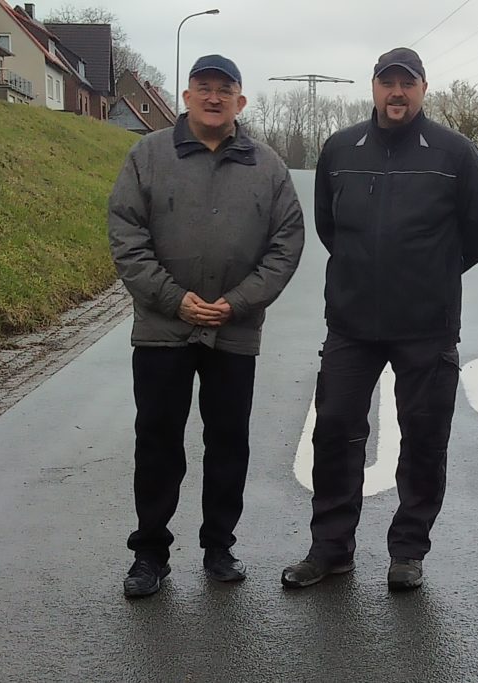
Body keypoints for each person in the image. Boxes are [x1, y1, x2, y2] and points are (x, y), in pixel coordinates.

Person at [281, 47, 478, 591]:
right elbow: (331, 228)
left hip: (426, 325)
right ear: (373, 88)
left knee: (424, 437)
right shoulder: (339, 149)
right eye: (387, 82)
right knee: (334, 433)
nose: (396, 92)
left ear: (424, 88)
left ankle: (408, 551)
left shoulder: (456, 153)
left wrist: (431, 270)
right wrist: (366, 270)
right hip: (351, 324)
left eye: (407, 83)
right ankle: (330, 549)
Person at [108, 55, 304, 598]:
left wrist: (237, 303)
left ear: (241, 101)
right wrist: (175, 300)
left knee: (228, 443)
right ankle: (150, 552)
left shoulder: (268, 167)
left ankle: (219, 546)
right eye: (204, 88)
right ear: (187, 96)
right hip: (161, 330)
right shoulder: (147, 156)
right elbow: (127, 235)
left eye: (225, 89)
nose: (214, 97)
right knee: (157, 442)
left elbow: (286, 244)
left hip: (234, 332)